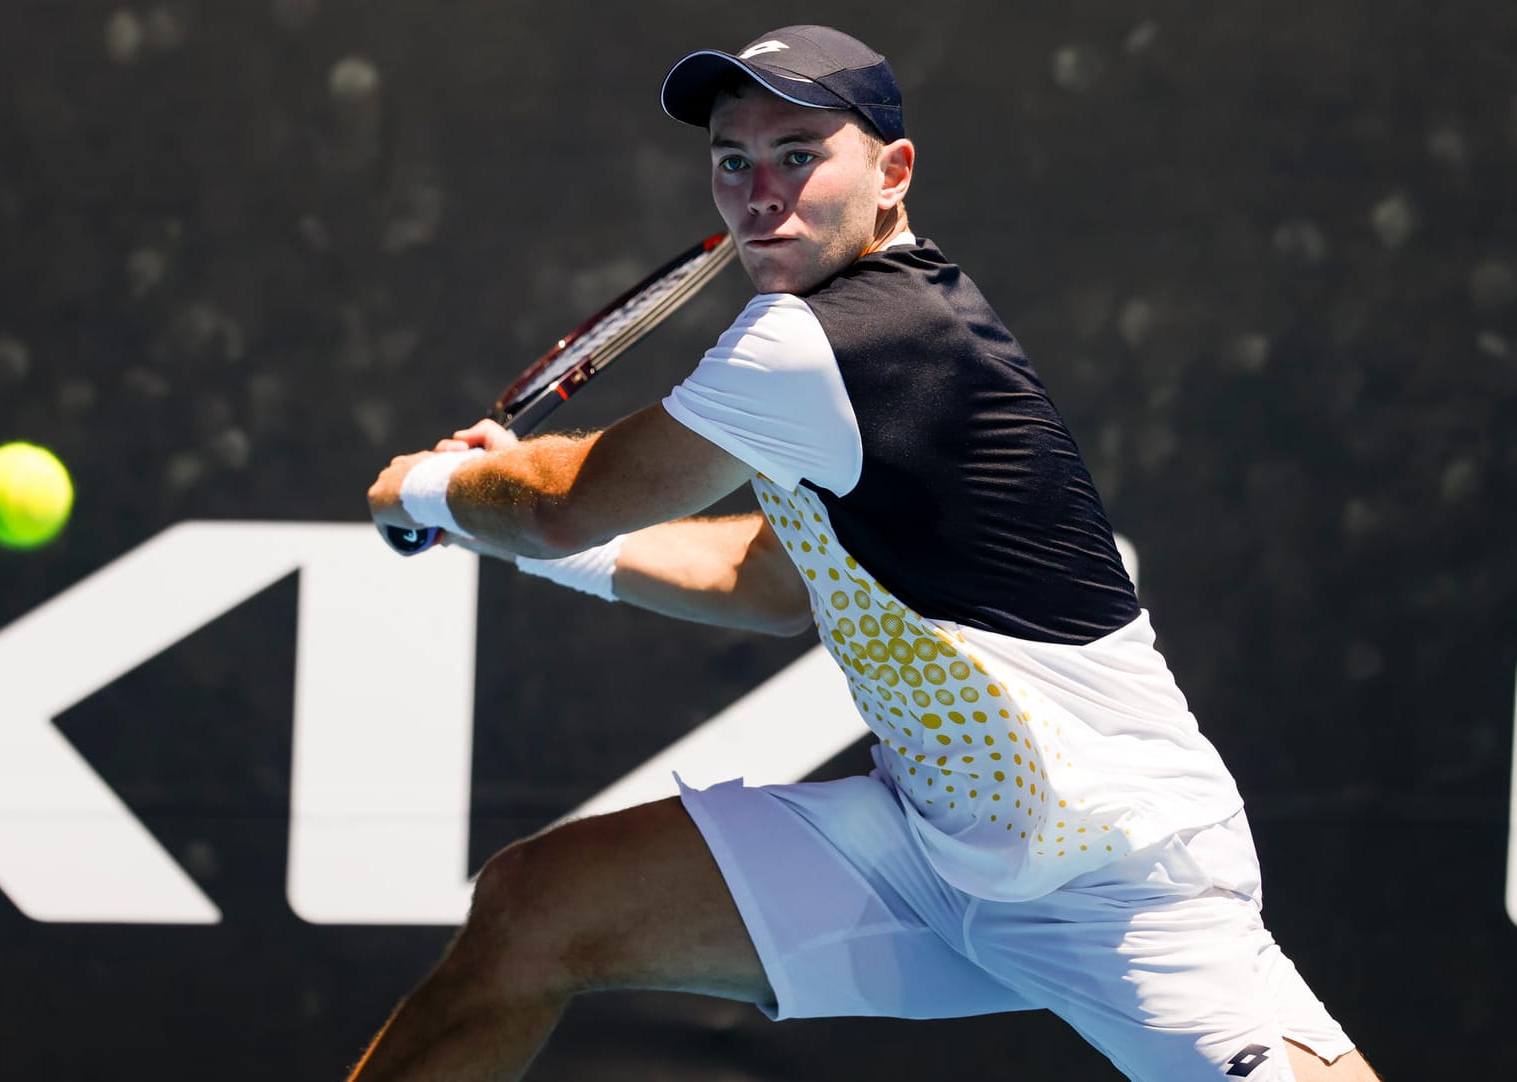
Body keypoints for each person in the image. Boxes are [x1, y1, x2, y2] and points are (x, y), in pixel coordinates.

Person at [358, 24, 1378, 1082]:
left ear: (892, 172)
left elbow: (563, 503)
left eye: (800, 154)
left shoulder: (832, 338)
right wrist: (501, 523)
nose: (761, 190)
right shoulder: (839, 344)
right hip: (927, 852)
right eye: (732, 160)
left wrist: (426, 489)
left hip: (1113, 875)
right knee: (537, 910)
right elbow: (758, 583)